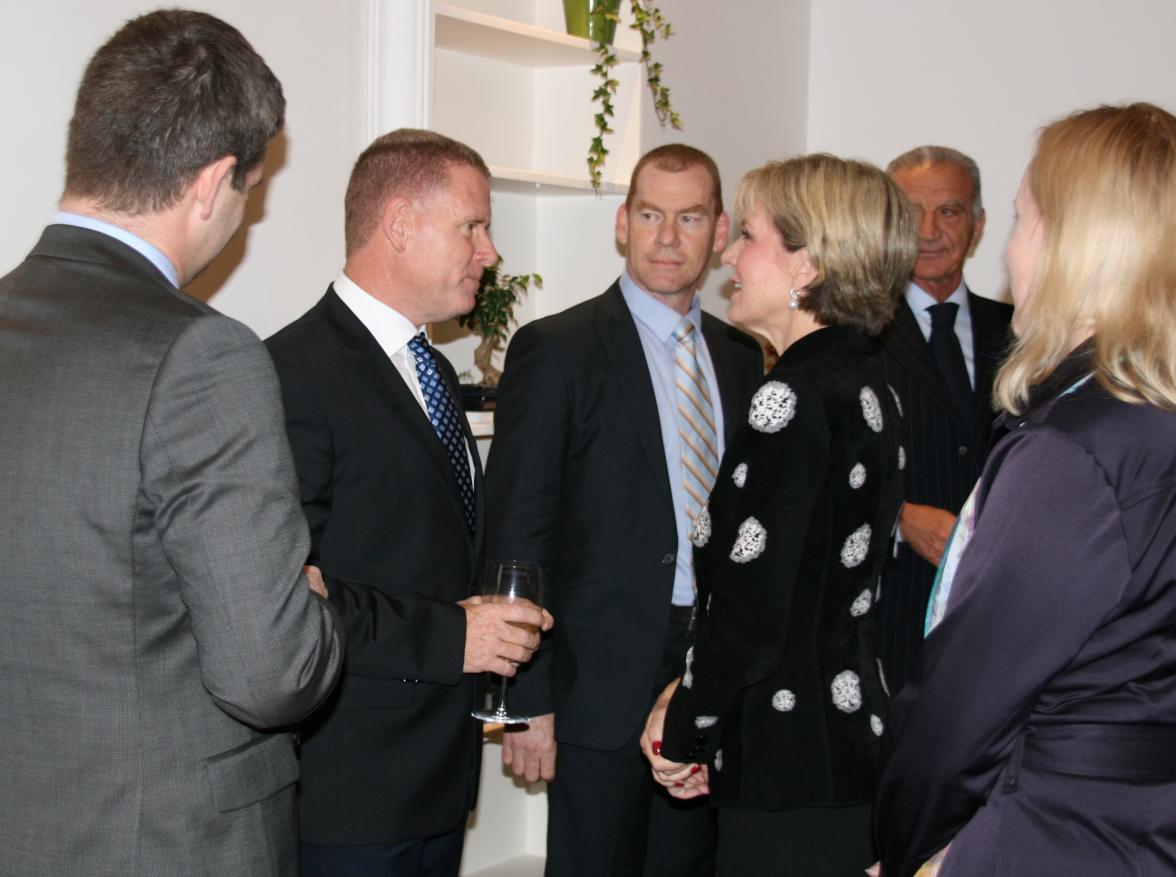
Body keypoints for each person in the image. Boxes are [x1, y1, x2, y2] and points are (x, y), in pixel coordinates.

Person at [0, 11, 344, 875]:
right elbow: (270, 672)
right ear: (213, 181)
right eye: (249, 195)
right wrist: (312, 610)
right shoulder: (201, 356)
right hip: (165, 843)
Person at [876, 102, 1176, 876]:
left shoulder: (1074, 448)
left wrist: (911, 849)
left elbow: (962, 709)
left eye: (1018, 217)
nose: (1012, 248)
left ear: (1072, 243)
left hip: (1060, 832)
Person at [266, 128, 550, 877]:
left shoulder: (431, 370)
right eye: (473, 226)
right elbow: (282, 601)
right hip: (349, 794)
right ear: (398, 224)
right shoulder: (293, 372)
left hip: (439, 782)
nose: (489, 252)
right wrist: (458, 635)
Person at [484, 144, 763, 876]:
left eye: (689, 217)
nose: (667, 237)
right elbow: (517, 529)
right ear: (622, 223)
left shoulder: (741, 356)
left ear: (721, 231)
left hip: (710, 668)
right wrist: (525, 698)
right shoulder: (558, 349)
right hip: (591, 682)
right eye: (650, 214)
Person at [642, 154, 917, 876]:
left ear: (808, 265)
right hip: (848, 744)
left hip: (790, 765)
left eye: (751, 235)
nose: (728, 254)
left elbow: (751, 613)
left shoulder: (788, 398)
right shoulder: (871, 386)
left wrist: (684, 731)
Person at [877, 146, 1014, 696]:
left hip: (1000, 619)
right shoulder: (854, 335)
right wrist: (897, 516)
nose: (929, 230)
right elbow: (815, 470)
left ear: (978, 226)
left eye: (950, 211)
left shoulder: (1025, 333)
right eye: (911, 213)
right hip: (887, 622)